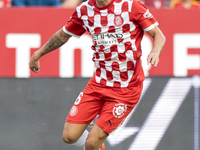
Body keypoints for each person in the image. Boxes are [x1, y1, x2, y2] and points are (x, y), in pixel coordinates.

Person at [29, 0, 166, 150]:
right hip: (98, 84)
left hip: (126, 89)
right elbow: (63, 35)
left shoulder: (131, 6)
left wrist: (155, 51)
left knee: (91, 143)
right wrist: (38, 54)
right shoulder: (84, 10)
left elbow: (159, 35)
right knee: (69, 136)